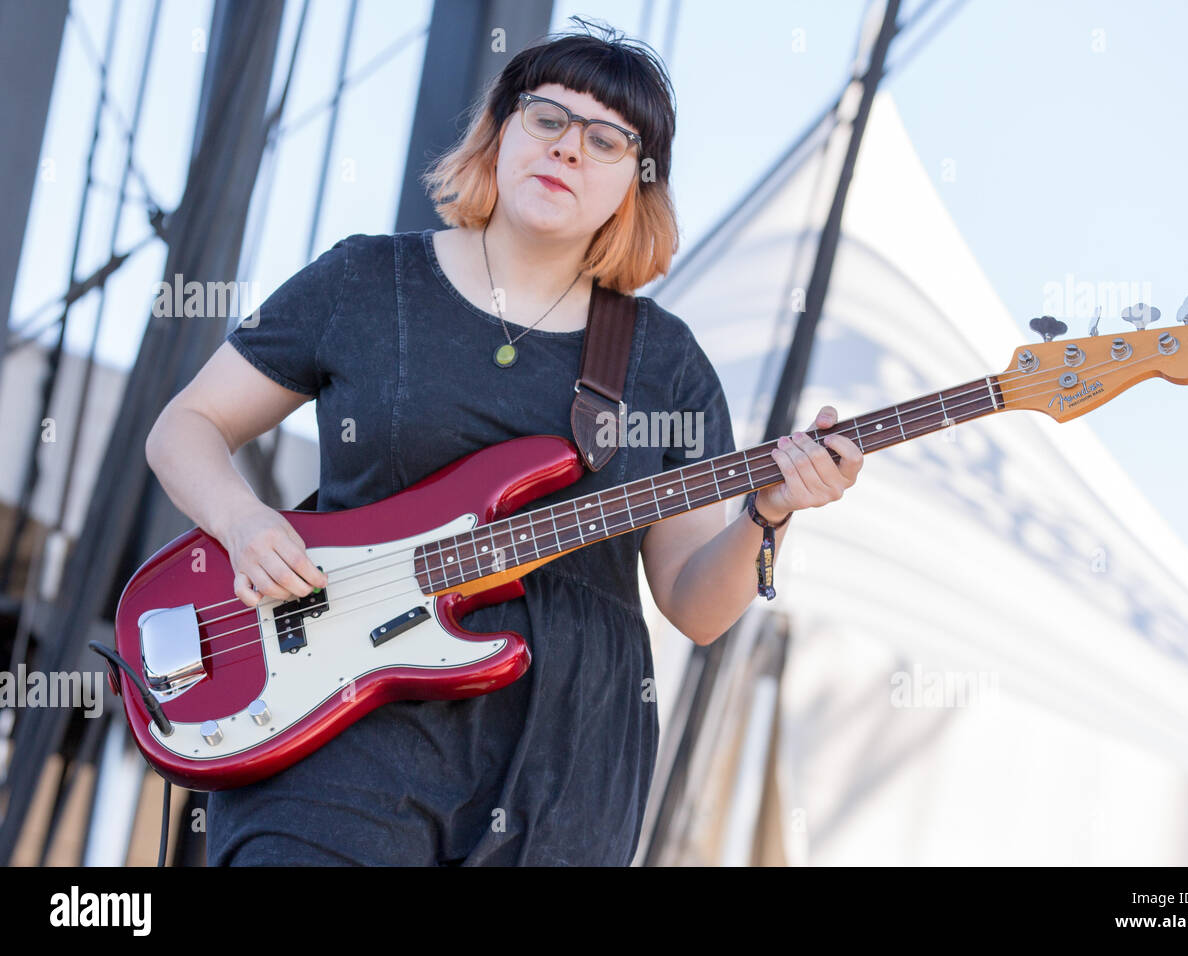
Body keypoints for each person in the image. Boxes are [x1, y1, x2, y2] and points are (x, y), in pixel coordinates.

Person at [144, 19, 863, 866]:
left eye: (605, 140)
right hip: (338, 730)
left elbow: (695, 606)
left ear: (637, 183)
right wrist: (242, 521)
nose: (567, 149)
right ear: (500, 131)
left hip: (566, 768)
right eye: (547, 119)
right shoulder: (366, 280)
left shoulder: (664, 361)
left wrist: (770, 513)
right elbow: (185, 426)